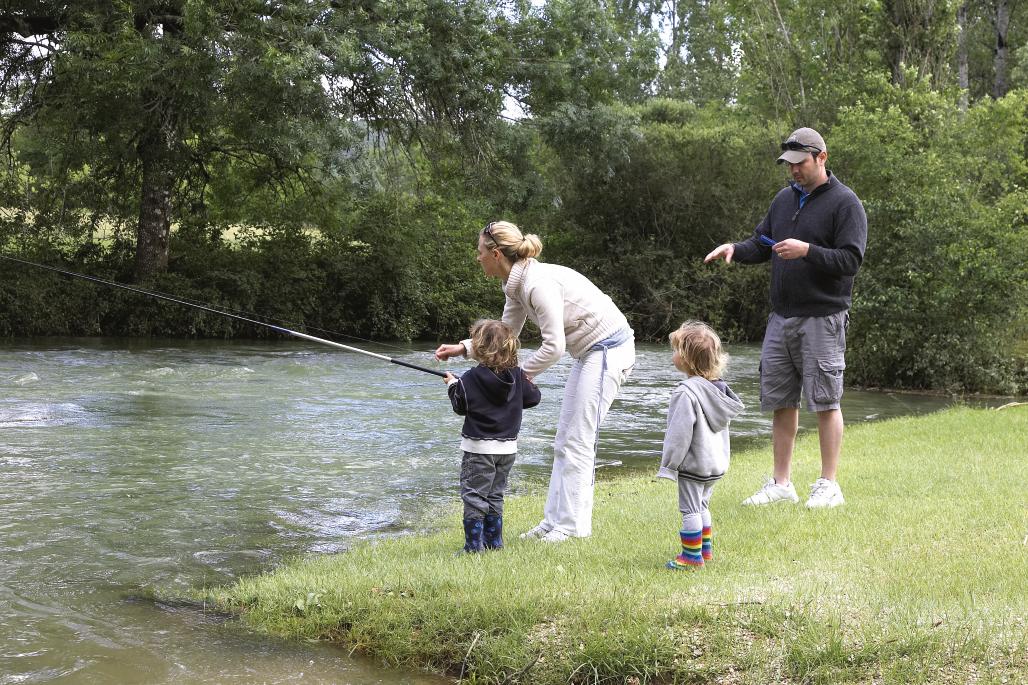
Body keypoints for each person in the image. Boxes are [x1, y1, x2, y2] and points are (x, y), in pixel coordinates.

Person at [435, 221, 636, 542]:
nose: (478, 258)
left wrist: (517, 378)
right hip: (588, 353)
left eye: (480, 252)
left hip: (608, 349)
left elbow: (554, 346)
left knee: (578, 441)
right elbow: (504, 334)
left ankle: (572, 527)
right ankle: (553, 522)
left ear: (496, 253)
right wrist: (464, 348)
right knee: (563, 441)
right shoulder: (516, 285)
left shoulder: (537, 284)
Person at [703, 127, 867, 509]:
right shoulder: (783, 200)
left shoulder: (845, 204)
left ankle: (829, 485)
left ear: (821, 158)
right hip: (781, 318)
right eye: (788, 165)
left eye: (800, 163)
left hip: (823, 318)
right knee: (781, 401)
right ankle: (781, 483)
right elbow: (763, 243)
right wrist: (734, 249)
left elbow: (850, 260)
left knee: (826, 401)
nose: (793, 171)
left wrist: (807, 250)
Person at [445, 319, 541, 554]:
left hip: (479, 450)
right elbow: (533, 398)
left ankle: (473, 547)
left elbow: (460, 405)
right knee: (495, 495)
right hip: (507, 451)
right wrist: (528, 382)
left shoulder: (469, 378)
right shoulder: (517, 375)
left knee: (474, 496)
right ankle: (494, 543)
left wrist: (452, 385)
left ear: (478, 348)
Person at [657, 321, 743, 570]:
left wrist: (670, 465)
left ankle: (691, 558)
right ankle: (704, 551)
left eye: (675, 350)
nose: (672, 355)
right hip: (715, 464)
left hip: (694, 466)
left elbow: (678, 433)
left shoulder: (687, 393)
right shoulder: (718, 391)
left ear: (686, 359)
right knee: (702, 504)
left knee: (690, 509)